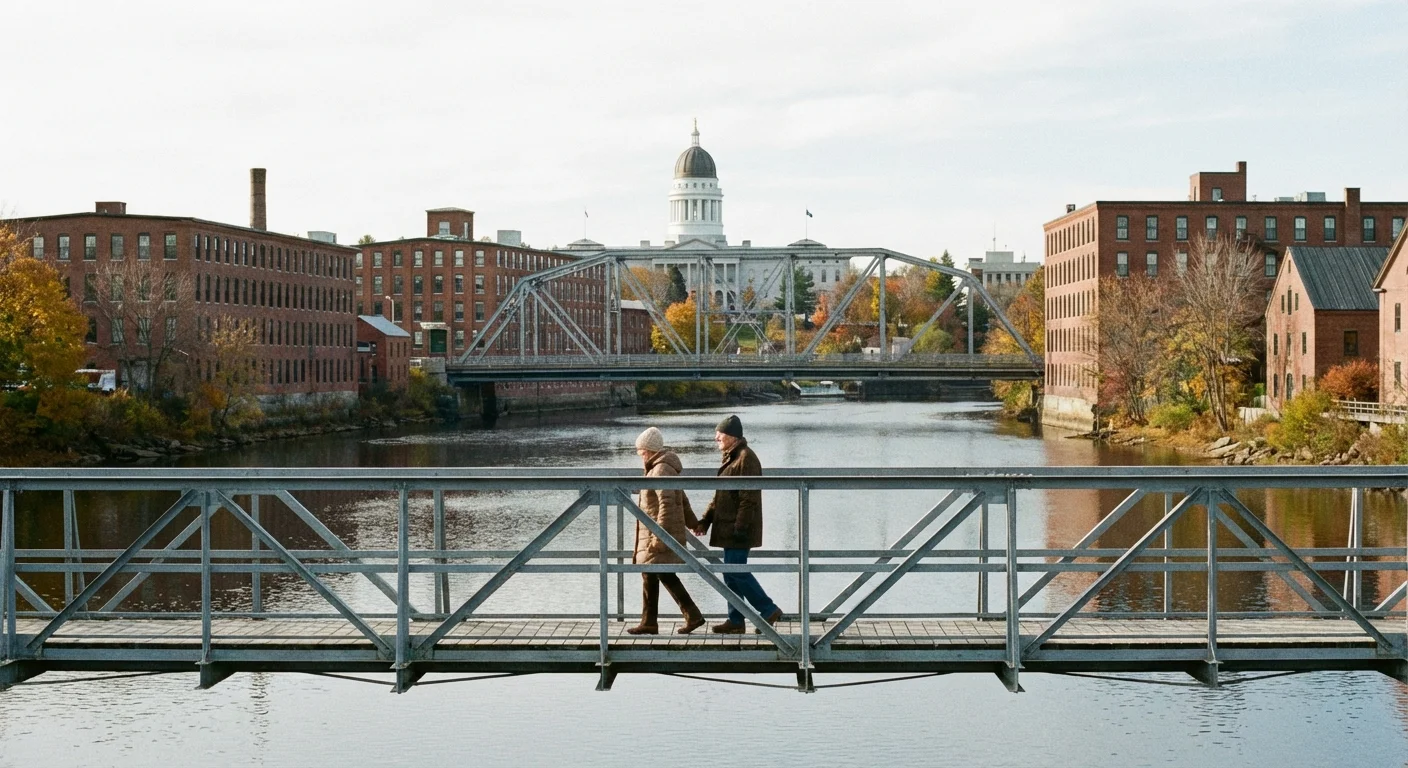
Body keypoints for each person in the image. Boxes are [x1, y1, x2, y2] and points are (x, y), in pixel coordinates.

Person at [692, 415, 783, 634]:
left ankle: (768, 609)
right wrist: (706, 520)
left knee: (737, 571)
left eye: (719, 434)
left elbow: (748, 498)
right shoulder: (732, 457)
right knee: (729, 572)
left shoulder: (746, 458)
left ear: (732, 436)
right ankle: (736, 620)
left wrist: (740, 528)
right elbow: (720, 496)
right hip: (727, 527)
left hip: (738, 528)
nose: (716, 438)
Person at [627, 427, 705, 635]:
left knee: (662, 574)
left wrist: (660, 537)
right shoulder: (658, 468)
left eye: (641, 451)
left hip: (657, 533)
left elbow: (668, 504)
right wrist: (693, 522)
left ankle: (691, 615)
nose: (639, 455)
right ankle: (650, 622)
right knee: (652, 575)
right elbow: (682, 498)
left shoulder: (660, 469)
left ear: (650, 450)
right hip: (653, 532)